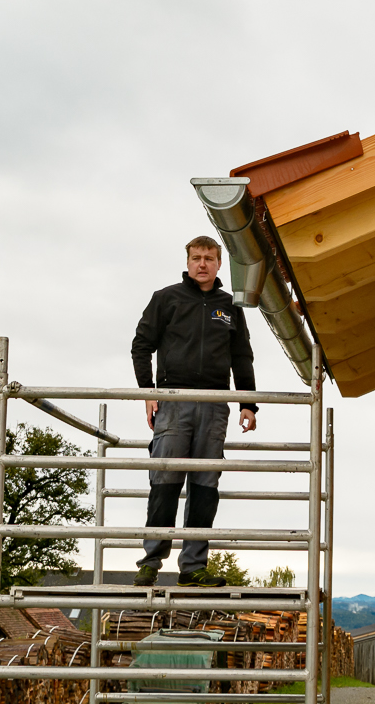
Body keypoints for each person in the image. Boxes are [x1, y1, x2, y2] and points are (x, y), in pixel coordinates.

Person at [129, 235, 259, 587]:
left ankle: (193, 567)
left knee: (205, 486)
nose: (203, 264)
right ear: (187, 262)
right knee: (165, 480)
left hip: (214, 405)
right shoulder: (166, 298)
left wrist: (248, 403)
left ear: (219, 264)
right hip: (173, 401)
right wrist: (148, 392)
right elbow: (141, 346)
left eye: (209, 258)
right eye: (197, 258)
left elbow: (241, 357)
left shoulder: (230, 306)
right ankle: (150, 562)